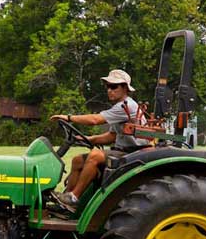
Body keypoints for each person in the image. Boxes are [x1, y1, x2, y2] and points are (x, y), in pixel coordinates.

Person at [49, 69, 148, 212]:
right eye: (108, 87)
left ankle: (74, 197)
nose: (109, 90)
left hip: (133, 153)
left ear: (125, 88)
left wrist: (68, 117)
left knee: (95, 155)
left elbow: (95, 120)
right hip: (122, 150)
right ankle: (65, 201)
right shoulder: (120, 107)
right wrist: (86, 139)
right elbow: (111, 137)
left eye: (113, 87)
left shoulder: (126, 106)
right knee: (77, 160)